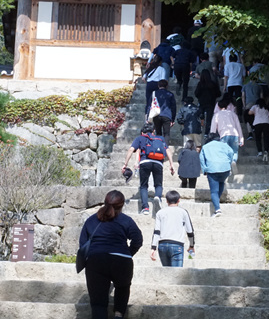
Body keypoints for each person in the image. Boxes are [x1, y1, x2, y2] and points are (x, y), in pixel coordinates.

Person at [79, 190, 143, 319]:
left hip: (96, 260)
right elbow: (138, 240)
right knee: (123, 288)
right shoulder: (126, 220)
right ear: (122, 205)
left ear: (104, 202)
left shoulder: (91, 220)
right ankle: (118, 314)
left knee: (98, 303)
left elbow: (83, 244)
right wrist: (127, 253)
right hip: (122, 261)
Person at [122, 123, 175, 215]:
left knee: (143, 186)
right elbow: (167, 150)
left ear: (142, 132)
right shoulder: (160, 138)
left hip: (145, 162)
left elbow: (131, 150)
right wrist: (171, 164)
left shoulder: (140, 138)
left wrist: (125, 164)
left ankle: (145, 208)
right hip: (158, 163)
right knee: (158, 184)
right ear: (153, 131)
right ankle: (157, 197)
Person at [150, 190, 195, 267]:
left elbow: (157, 232)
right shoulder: (183, 212)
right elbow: (190, 231)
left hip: (162, 245)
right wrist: (191, 245)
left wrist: (153, 247)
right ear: (179, 200)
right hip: (177, 245)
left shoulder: (160, 212)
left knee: (167, 273)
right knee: (176, 274)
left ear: (167, 200)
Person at [199, 133, 234, 217]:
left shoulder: (205, 147)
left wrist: (204, 170)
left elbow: (201, 159)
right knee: (221, 182)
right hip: (225, 168)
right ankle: (216, 201)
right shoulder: (224, 145)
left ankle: (217, 209)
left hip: (212, 169)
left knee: (214, 191)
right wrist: (228, 162)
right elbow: (231, 153)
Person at [211, 98, 244, 164]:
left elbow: (213, 128)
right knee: (234, 151)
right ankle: (233, 161)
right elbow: (238, 127)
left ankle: (227, 166)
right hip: (235, 134)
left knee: (224, 151)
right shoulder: (233, 114)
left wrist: (212, 138)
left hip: (224, 134)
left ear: (218, 107)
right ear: (227, 106)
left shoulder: (217, 115)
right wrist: (241, 138)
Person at [195, 69, 222, 136]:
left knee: (200, 114)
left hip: (202, 102)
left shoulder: (200, 84)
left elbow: (196, 93)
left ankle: (201, 122)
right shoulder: (213, 84)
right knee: (209, 119)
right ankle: (207, 132)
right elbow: (218, 93)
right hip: (211, 103)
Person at [249, 98, 269, 163]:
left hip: (257, 123)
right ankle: (266, 151)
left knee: (258, 138)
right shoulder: (267, 107)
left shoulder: (255, 106)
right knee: (266, 138)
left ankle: (260, 151)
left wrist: (255, 113)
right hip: (267, 123)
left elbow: (249, 113)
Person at [153, 79, 177, 146]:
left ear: (158, 85)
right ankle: (165, 149)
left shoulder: (154, 93)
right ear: (167, 86)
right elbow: (173, 107)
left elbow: (149, 105)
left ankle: (158, 148)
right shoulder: (170, 94)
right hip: (167, 115)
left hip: (156, 114)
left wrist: (148, 117)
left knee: (158, 133)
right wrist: (173, 119)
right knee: (166, 133)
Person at [241, 75, 262, 140]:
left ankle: (250, 134)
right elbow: (261, 97)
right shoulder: (259, 86)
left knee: (247, 119)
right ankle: (257, 131)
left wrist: (244, 105)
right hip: (257, 104)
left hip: (248, 104)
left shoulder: (245, 85)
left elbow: (243, 96)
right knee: (257, 118)